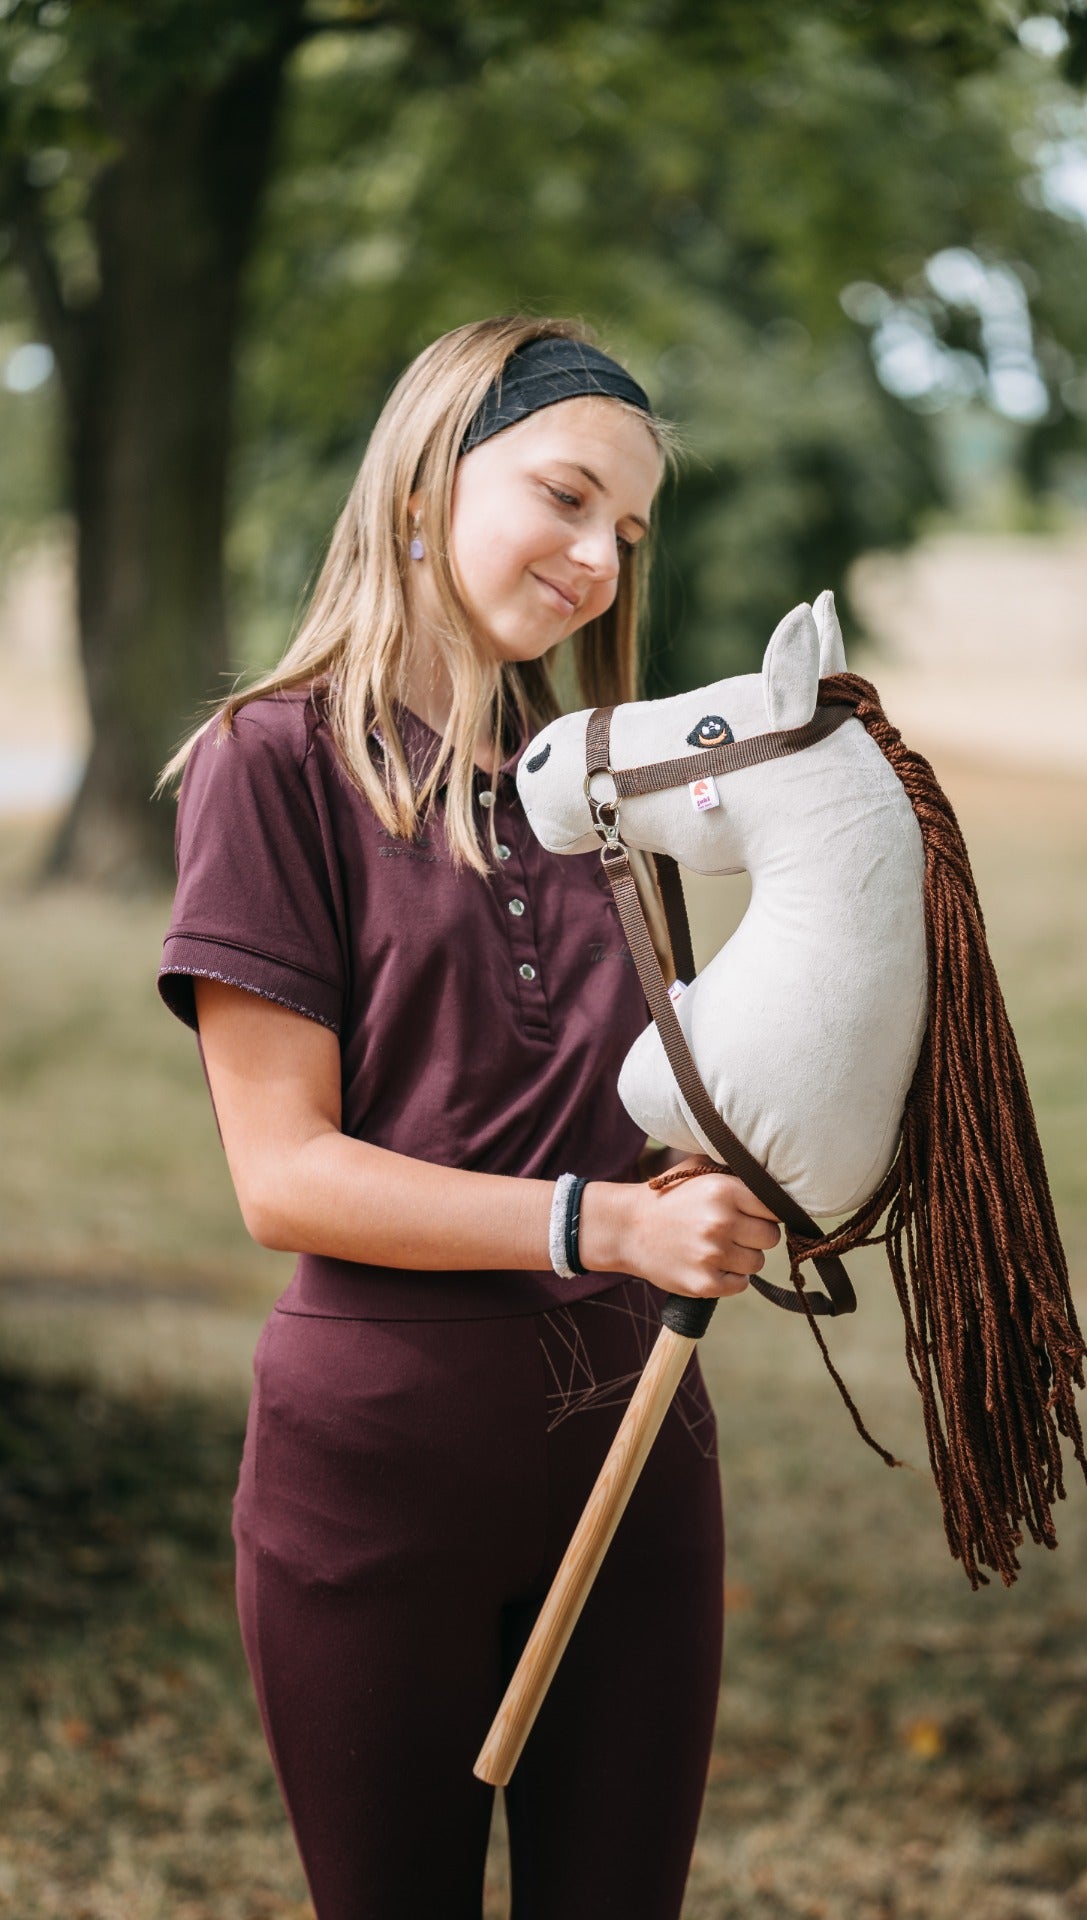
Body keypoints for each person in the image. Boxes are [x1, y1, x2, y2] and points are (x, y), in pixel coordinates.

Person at [156, 315, 782, 1920]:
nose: (596, 558)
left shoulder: (615, 798)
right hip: (377, 1476)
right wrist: (611, 1224)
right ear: (431, 477)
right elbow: (283, 1175)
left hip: (638, 1461)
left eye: (628, 532)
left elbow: (671, 1122)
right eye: (566, 497)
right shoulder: (272, 762)